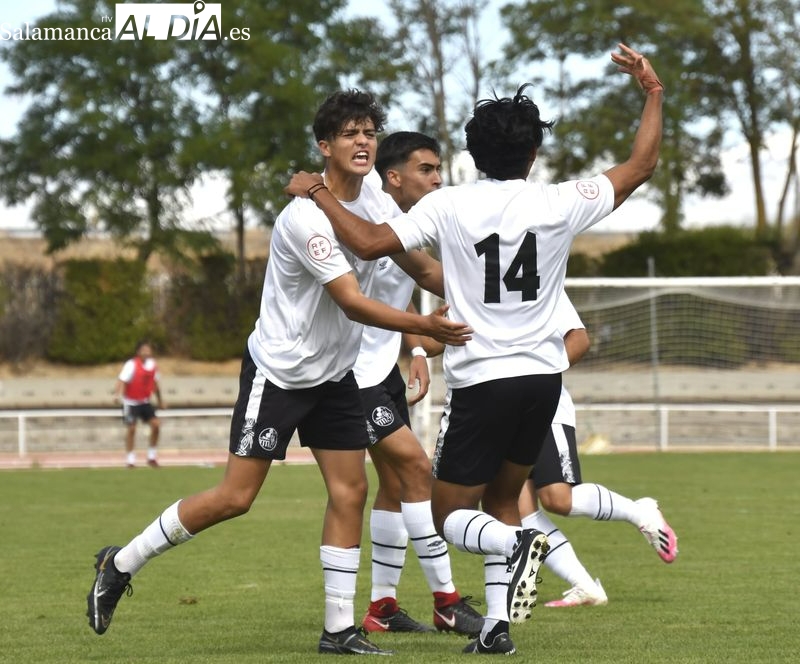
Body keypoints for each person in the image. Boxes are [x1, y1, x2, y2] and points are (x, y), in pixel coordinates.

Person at [285, 43, 664, 655]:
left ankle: (517, 550)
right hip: (544, 379)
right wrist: (652, 93)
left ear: (472, 153)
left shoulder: (448, 203)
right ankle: (495, 629)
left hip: (483, 378)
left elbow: (366, 241)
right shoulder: (561, 200)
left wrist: (316, 195)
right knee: (502, 503)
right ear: (534, 153)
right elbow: (641, 164)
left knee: (446, 517)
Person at [86, 89, 473, 657]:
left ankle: (339, 629)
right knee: (236, 498)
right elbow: (352, 301)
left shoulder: (374, 199)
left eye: (369, 132)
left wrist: (487, 286)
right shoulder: (303, 219)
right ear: (324, 146)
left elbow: (416, 264)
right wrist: (426, 329)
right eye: (350, 133)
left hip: (336, 375)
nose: (363, 141)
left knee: (351, 490)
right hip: (281, 375)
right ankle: (119, 563)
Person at [357, 131, 483, 638]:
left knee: (392, 486)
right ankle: (446, 601)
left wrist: (413, 348)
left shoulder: (404, 228)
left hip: (380, 372)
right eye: (427, 169)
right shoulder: (360, 216)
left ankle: (382, 608)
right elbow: (352, 296)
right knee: (416, 470)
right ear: (394, 177)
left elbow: (415, 283)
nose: (437, 178)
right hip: (345, 377)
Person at [519, 292, 678, 609]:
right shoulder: (471, 280)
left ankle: (640, 512)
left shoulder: (539, 277)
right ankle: (584, 586)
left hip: (542, 406)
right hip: (496, 408)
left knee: (557, 499)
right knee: (517, 509)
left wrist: (535, 379)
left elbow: (579, 339)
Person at [113, 340, 164, 468]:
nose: (146, 352)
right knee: (132, 428)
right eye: (143, 350)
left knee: (156, 425)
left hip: (145, 401)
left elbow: (156, 385)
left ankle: (151, 456)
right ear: (138, 352)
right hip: (131, 402)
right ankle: (130, 459)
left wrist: (160, 401)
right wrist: (116, 394)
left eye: (148, 350)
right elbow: (121, 380)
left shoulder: (153, 365)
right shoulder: (131, 365)